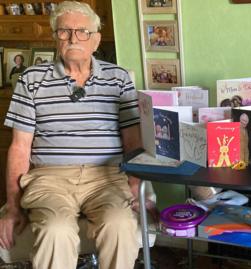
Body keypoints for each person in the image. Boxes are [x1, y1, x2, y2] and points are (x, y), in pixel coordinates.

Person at [0, 2, 157, 269]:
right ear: (54, 37)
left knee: (119, 224)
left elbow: (133, 140)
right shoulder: (31, 79)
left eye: (83, 31)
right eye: (65, 31)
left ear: (96, 39)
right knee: (55, 229)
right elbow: (19, 148)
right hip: (50, 179)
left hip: (107, 177)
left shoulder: (118, 78)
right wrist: (13, 207)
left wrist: (137, 188)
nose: (73, 38)